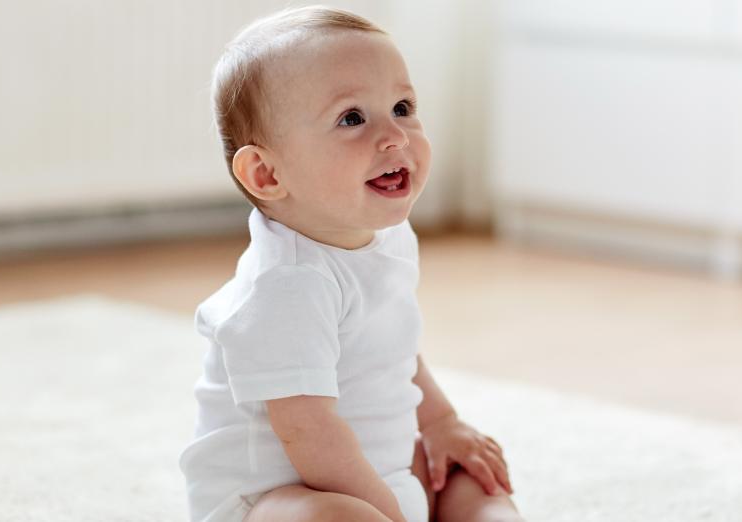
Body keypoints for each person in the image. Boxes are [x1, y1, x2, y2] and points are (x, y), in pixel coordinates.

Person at [177, 6, 524, 522]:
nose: (395, 136)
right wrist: (386, 511)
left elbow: (394, 350)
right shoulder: (286, 286)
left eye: (403, 107)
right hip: (280, 494)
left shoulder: (387, 236)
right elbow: (308, 434)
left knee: (471, 474)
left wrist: (442, 423)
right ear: (267, 173)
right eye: (352, 118)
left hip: (379, 466)